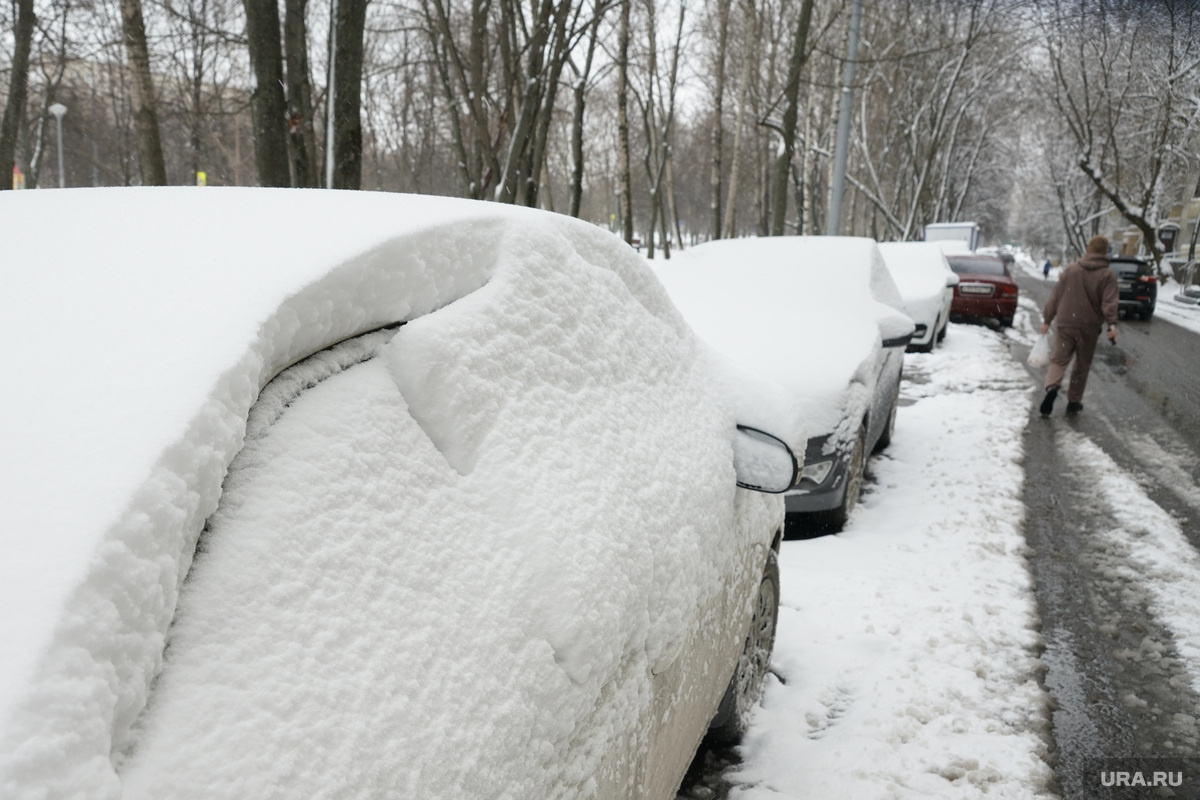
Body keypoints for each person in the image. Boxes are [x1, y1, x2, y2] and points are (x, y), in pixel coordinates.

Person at [1039, 236, 1119, 416]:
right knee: (1081, 366)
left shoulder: (1071, 270)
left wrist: (1047, 320)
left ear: (1088, 249)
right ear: (1105, 252)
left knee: (1059, 360)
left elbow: (1055, 296)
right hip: (1089, 326)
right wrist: (1112, 324)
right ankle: (1073, 402)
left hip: (1066, 323)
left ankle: (1052, 387)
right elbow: (1109, 303)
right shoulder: (1107, 275)